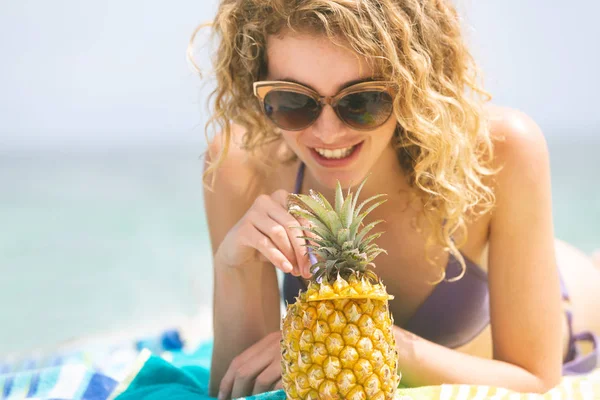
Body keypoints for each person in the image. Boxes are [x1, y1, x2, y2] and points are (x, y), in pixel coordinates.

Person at [192, 1, 600, 398]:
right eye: (294, 101)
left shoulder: (500, 151)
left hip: (573, 301)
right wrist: (233, 269)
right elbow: (241, 385)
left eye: (362, 101)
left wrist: (376, 339)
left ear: (410, 85)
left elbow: (536, 379)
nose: (328, 132)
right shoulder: (240, 167)